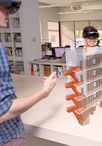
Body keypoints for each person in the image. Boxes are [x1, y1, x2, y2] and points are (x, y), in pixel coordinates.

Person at [0, 1, 57, 145]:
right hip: (7, 137)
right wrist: (44, 92)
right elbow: (3, 111)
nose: (9, 12)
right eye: (4, 8)